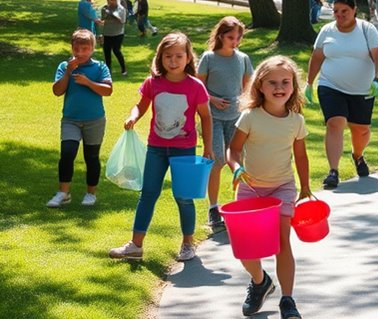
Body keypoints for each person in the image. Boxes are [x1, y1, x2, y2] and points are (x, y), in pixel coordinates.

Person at [109, 32, 212, 262]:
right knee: (148, 194)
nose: (173, 61)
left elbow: (206, 117)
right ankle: (135, 246)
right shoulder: (152, 83)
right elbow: (140, 106)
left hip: (184, 150)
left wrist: (208, 146)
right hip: (156, 148)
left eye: (178, 56)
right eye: (168, 56)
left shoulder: (195, 87)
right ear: (160, 58)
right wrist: (133, 117)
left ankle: (188, 243)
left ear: (188, 58)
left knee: (184, 197)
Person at [227, 56, 311, 319]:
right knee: (246, 250)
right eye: (272, 82)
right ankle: (261, 282)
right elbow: (234, 149)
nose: (279, 87)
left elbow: (301, 156)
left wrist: (306, 185)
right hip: (251, 188)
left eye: (285, 82)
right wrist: (236, 167)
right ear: (260, 86)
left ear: (293, 87)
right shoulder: (250, 117)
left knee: (282, 242)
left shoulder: (296, 120)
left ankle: (287, 300)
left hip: (282, 187)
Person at [306, 0, 378, 187]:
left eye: (344, 11)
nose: (339, 15)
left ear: (354, 10)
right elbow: (317, 57)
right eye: (336, 11)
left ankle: (357, 155)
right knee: (335, 123)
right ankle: (333, 171)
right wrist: (309, 83)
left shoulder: (367, 30)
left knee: (361, 131)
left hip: (362, 90)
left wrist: (377, 79)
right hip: (330, 85)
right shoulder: (327, 31)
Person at [197, 16, 254, 231]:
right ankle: (213, 208)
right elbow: (198, 87)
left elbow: (248, 88)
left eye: (238, 37)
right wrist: (212, 99)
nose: (235, 41)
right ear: (221, 36)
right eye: (231, 37)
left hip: (237, 118)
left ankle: (246, 204)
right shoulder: (209, 58)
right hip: (212, 117)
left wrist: (246, 106)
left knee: (239, 162)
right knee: (217, 160)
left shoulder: (243, 58)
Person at [48, 29, 113, 207]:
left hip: (95, 120)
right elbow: (57, 91)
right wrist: (68, 72)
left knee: (91, 157)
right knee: (67, 153)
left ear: (92, 48)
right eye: (76, 49)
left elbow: (108, 90)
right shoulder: (64, 66)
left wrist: (88, 82)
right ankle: (63, 193)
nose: (80, 53)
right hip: (71, 119)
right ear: (72, 48)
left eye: (85, 49)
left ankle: (91, 194)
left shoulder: (100, 67)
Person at [100, 0, 128, 76]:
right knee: (106, 52)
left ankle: (123, 69)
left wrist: (112, 14)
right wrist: (105, 12)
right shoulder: (105, 8)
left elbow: (122, 20)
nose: (111, 2)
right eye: (110, 0)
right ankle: (108, 71)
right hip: (107, 33)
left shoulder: (121, 9)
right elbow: (102, 18)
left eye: (113, 0)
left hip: (118, 33)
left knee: (116, 50)